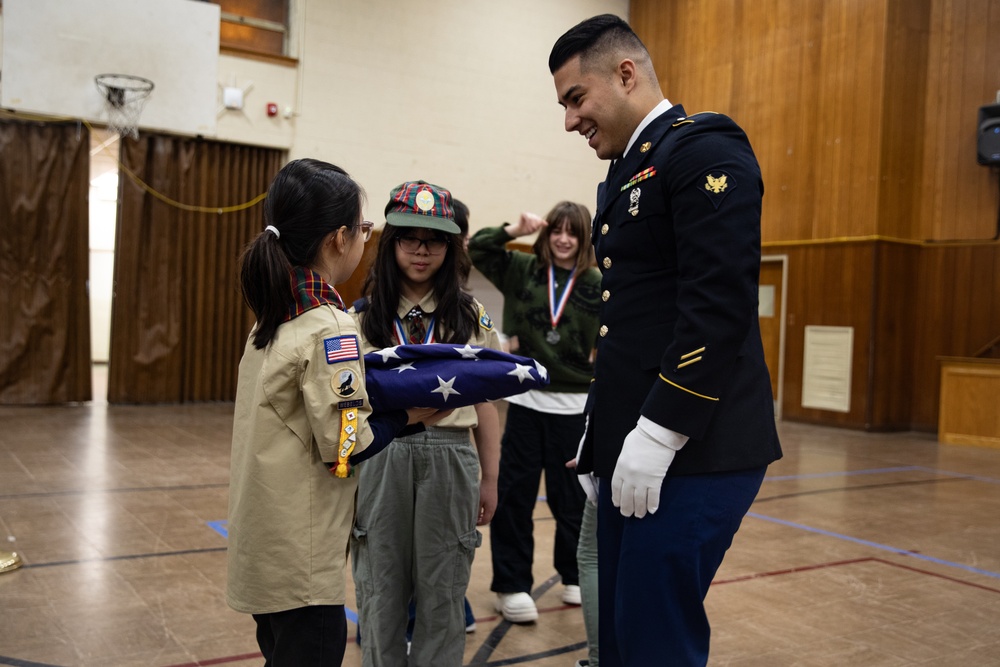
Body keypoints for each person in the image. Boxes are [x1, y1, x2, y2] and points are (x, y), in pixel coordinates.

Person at [548, 15, 783, 667]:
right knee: (621, 636)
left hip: (695, 446)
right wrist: (602, 437)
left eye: (575, 98)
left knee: (656, 641)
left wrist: (659, 431)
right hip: (637, 445)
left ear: (626, 73)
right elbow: (629, 323)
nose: (570, 120)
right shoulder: (628, 170)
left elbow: (718, 303)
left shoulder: (703, 149)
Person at [226, 159, 445, 666]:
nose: (367, 240)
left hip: (265, 549)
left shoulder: (275, 315)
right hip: (302, 566)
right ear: (338, 239)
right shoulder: (329, 327)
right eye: (365, 229)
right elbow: (344, 445)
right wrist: (407, 416)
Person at [350, 180, 502, 667]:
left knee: (444, 589)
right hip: (381, 458)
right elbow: (345, 410)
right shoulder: (360, 319)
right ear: (390, 242)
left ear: (451, 246)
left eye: (434, 239)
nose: (421, 250)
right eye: (409, 237)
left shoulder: (470, 316)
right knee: (379, 586)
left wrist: (491, 479)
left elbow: (487, 406)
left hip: (451, 460)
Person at [468, 202, 601, 623]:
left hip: (576, 408)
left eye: (573, 233)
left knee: (574, 500)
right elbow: (478, 250)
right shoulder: (523, 269)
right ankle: (512, 585)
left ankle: (575, 574)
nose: (563, 239)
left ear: (584, 240)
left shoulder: (598, 282)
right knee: (513, 497)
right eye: (556, 231)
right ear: (545, 236)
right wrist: (513, 228)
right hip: (526, 403)